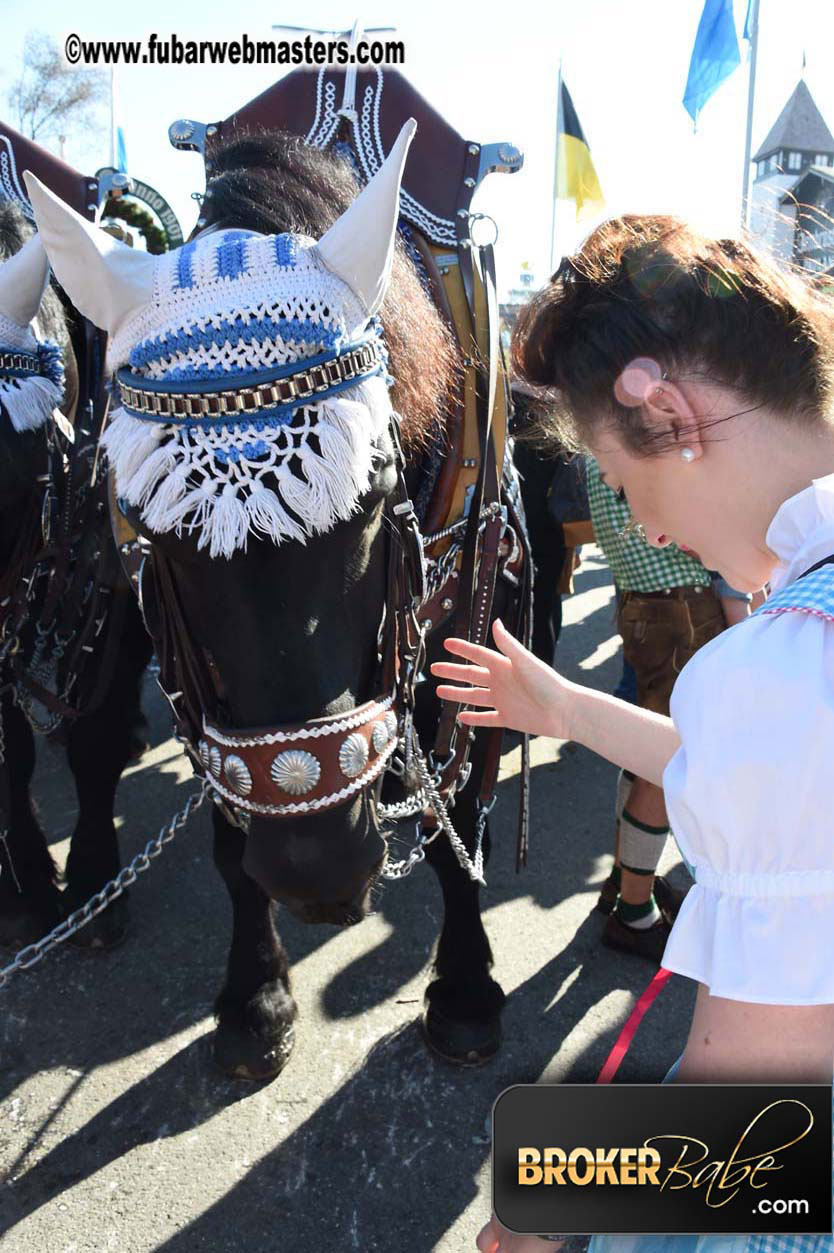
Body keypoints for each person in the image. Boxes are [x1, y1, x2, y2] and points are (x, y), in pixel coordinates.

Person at [429, 215, 834, 1253]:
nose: (646, 529)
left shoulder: (778, 673)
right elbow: (751, 777)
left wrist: (541, 1201)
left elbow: (759, 1118)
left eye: (626, 482)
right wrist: (563, 706)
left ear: (677, 417)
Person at [585, 453, 727, 962]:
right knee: (668, 759)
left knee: (645, 745)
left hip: (642, 602)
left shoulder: (598, 441)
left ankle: (625, 880)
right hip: (683, 606)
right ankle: (634, 912)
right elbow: (697, 533)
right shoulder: (649, 442)